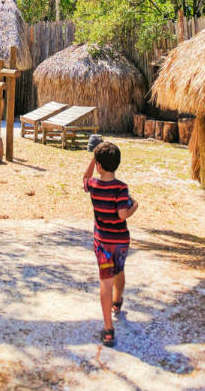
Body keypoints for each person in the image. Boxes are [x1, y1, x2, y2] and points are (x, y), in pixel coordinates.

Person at [83, 140, 138, 347]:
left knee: (105, 280)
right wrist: (135, 207)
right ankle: (118, 302)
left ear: (98, 164)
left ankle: (108, 329)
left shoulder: (94, 186)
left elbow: (85, 178)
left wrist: (92, 158)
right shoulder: (122, 188)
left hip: (103, 243)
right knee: (119, 270)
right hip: (121, 241)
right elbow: (123, 214)